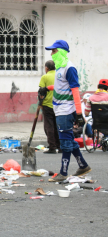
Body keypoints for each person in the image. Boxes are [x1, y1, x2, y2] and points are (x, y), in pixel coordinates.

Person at [41, 40, 91, 182]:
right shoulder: (59, 67)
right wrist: (47, 88)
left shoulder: (70, 68)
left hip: (66, 110)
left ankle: (63, 173)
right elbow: (60, 86)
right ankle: (83, 166)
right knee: (68, 139)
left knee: (64, 143)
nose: (51, 54)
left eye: (54, 51)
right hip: (59, 108)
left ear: (61, 51)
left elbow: (75, 91)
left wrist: (79, 113)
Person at [38, 60, 60, 154]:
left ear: (47, 68)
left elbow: (41, 92)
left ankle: (52, 146)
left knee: (49, 127)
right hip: (58, 104)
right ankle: (60, 146)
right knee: (57, 126)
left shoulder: (45, 77)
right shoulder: (59, 76)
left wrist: (40, 103)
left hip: (47, 105)